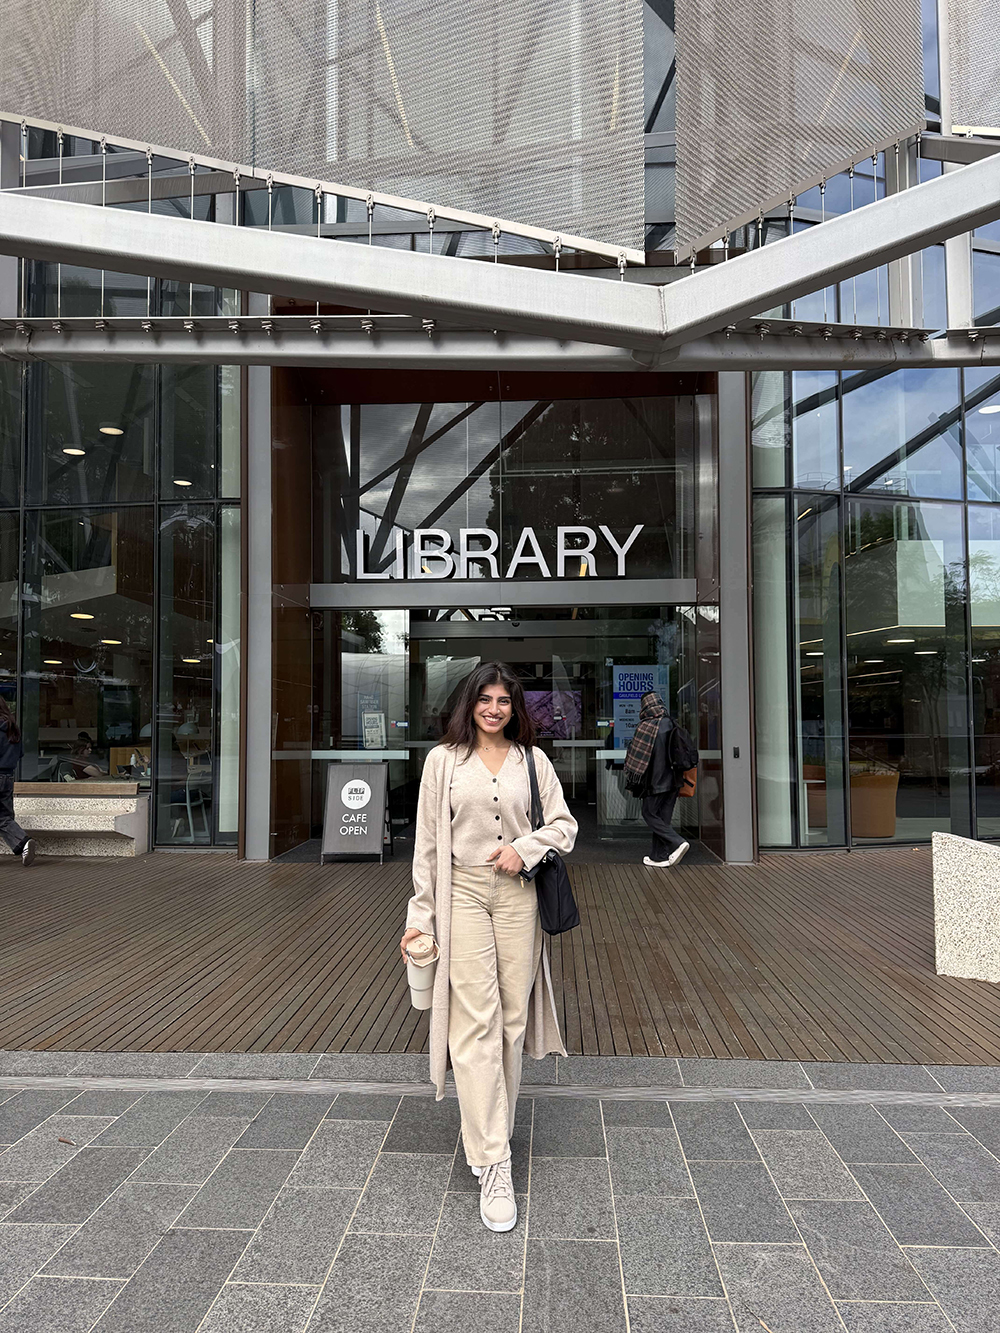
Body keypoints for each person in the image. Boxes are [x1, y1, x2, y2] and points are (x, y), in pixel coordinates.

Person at [400, 661, 577, 1234]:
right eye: (485, 699)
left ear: (514, 707)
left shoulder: (534, 761)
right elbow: (427, 848)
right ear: (469, 703)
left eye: (503, 700)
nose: (494, 709)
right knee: (475, 1020)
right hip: (463, 895)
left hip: (519, 895)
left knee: (511, 1022)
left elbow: (565, 827)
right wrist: (419, 919)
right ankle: (494, 1162)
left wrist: (524, 848)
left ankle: (485, 1128)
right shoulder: (443, 762)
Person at [632, 690, 691, 869]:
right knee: (663, 820)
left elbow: (636, 759)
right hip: (674, 780)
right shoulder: (672, 723)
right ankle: (658, 856)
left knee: (649, 814)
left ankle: (677, 842)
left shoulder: (646, 727)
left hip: (655, 782)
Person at [0, 698, 36, 866]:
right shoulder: (12, 728)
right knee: (4, 817)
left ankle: (22, 841)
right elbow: (20, 753)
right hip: (8, 776)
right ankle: (23, 842)